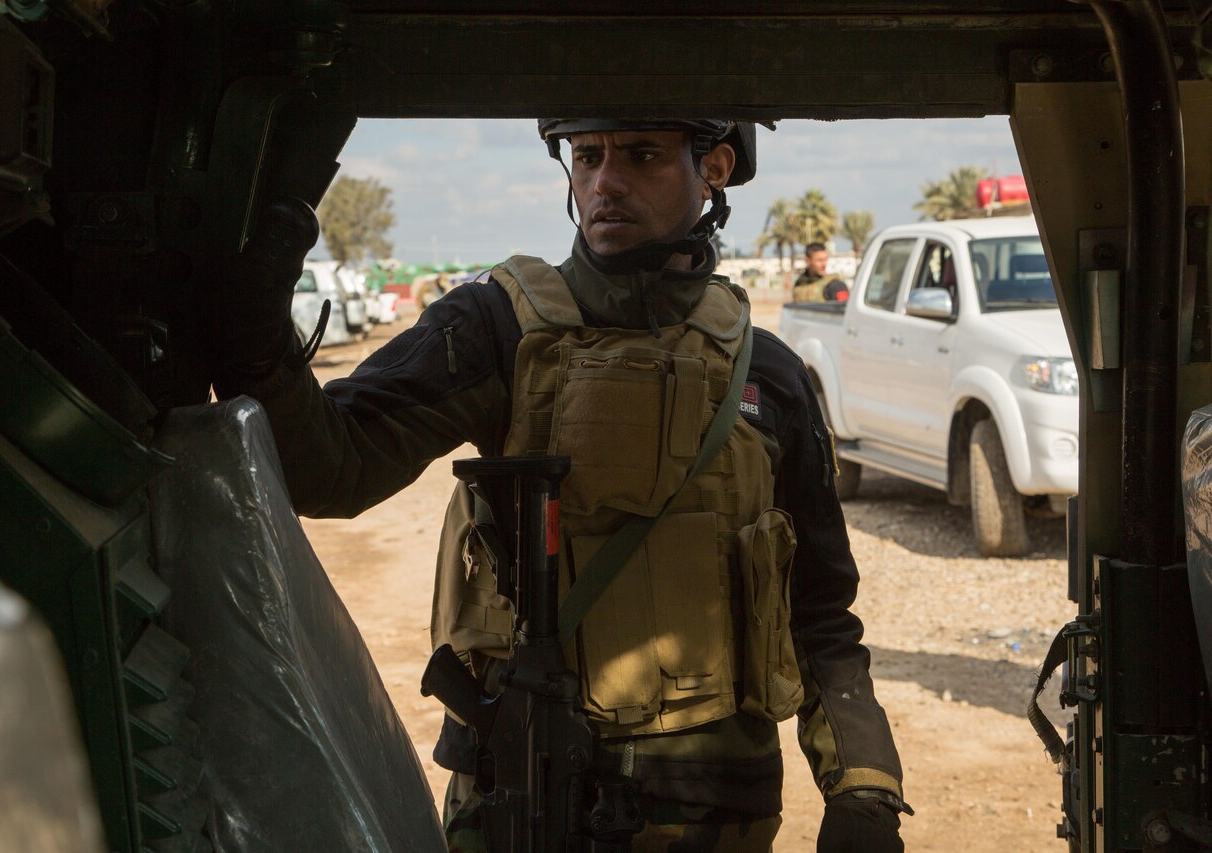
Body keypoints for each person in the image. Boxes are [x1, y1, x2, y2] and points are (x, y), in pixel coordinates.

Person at [214, 119, 908, 853]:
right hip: (523, 796)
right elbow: (333, 468)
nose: (605, 181)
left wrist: (864, 787)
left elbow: (820, 614)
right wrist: (260, 344)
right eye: (587, 156)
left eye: (640, 154)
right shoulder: (496, 328)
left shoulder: (767, 373)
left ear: (715, 167)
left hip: (713, 810)